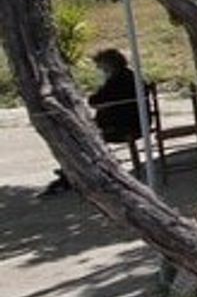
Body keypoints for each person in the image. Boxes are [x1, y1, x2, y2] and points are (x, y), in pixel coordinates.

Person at [40, 49, 142, 197]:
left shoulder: (117, 81)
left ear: (109, 65)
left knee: (78, 137)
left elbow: (96, 101)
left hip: (121, 126)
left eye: (100, 66)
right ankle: (72, 170)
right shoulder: (130, 76)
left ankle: (76, 171)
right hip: (131, 122)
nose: (99, 69)